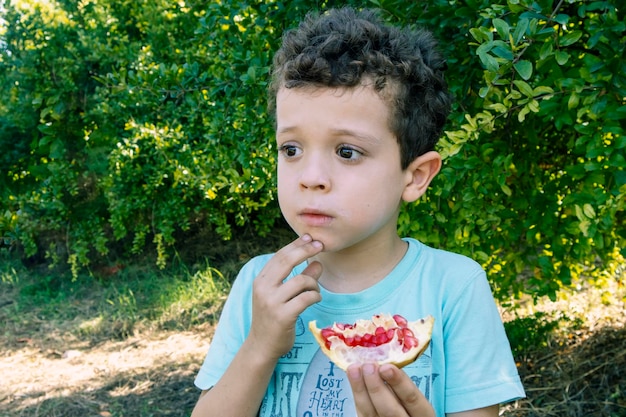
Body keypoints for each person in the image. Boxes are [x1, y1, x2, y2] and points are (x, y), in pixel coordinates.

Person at [192, 7, 525, 417]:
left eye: (347, 152)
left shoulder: (454, 288)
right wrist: (260, 345)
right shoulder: (259, 285)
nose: (310, 177)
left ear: (416, 176)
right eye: (291, 149)